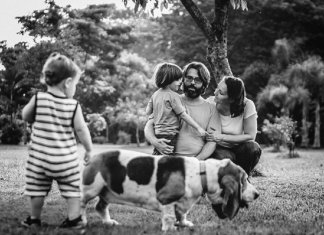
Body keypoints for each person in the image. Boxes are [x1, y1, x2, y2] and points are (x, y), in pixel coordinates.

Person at [21, 52, 92, 230]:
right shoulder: (73, 105)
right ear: (68, 83)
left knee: (36, 190)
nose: (74, 88)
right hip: (65, 161)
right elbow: (81, 129)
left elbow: (25, 116)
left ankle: (34, 219)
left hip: (40, 160)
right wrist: (89, 150)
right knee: (72, 191)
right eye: (75, 84)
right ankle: (75, 219)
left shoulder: (38, 98)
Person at [145, 62, 219, 159]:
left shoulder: (212, 108)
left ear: (204, 83)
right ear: (182, 79)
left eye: (197, 80)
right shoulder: (169, 99)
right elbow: (149, 125)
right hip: (167, 158)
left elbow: (212, 142)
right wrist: (155, 142)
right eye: (189, 78)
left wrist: (195, 162)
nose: (192, 82)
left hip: (196, 162)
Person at [206, 76, 262, 175]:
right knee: (224, 157)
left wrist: (222, 137)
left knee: (253, 148)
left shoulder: (247, 105)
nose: (215, 93)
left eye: (221, 93)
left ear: (231, 99)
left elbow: (251, 136)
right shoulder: (210, 103)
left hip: (240, 148)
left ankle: (244, 177)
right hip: (219, 148)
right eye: (217, 88)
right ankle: (230, 180)